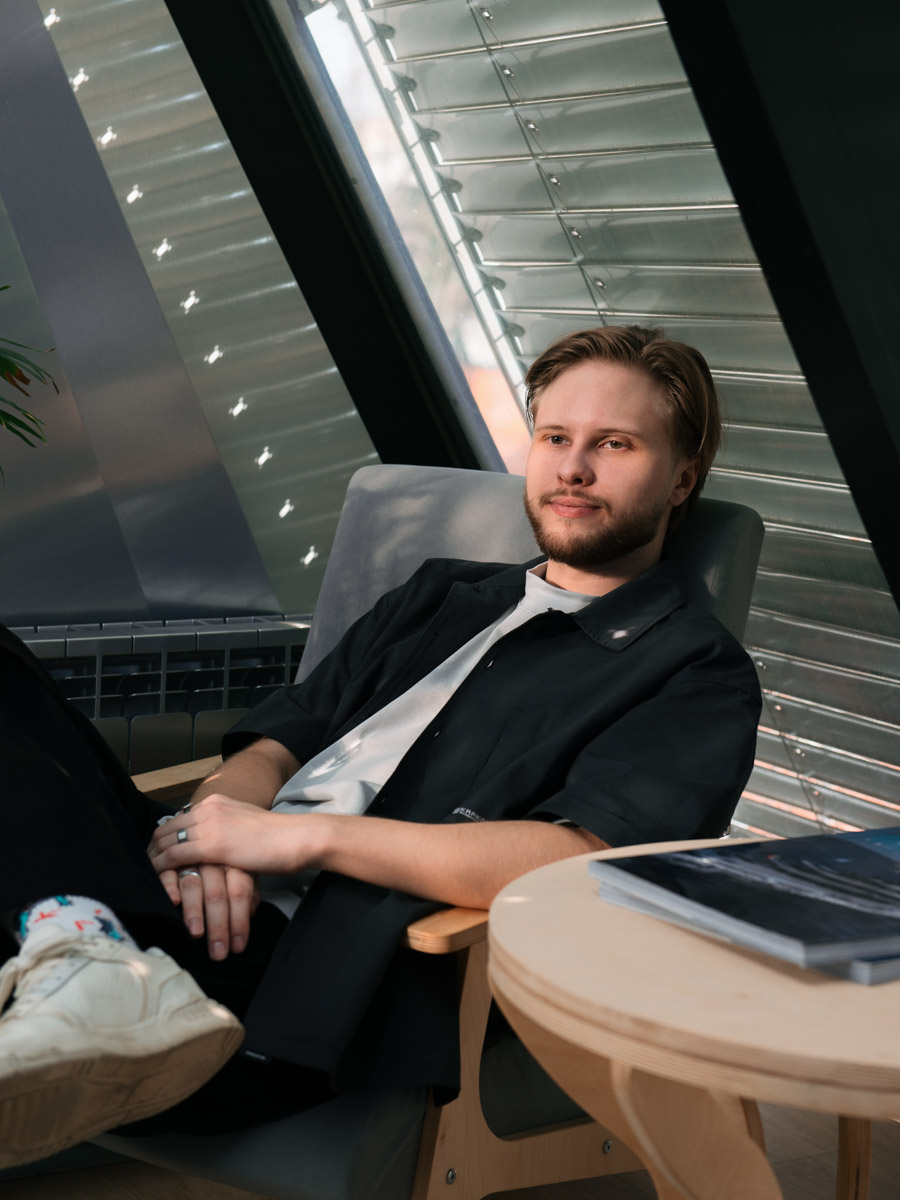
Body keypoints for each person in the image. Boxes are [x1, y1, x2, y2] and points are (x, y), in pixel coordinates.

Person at [0, 326, 761, 1167]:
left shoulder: (694, 672)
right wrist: (216, 831)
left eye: (614, 444)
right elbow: (282, 736)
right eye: (555, 437)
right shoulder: (442, 593)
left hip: (302, 965)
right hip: (181, 887)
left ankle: (93, 961)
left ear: (682, 477)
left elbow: (579, 861)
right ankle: (83, 946)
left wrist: (294, 840)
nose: (573, 468)